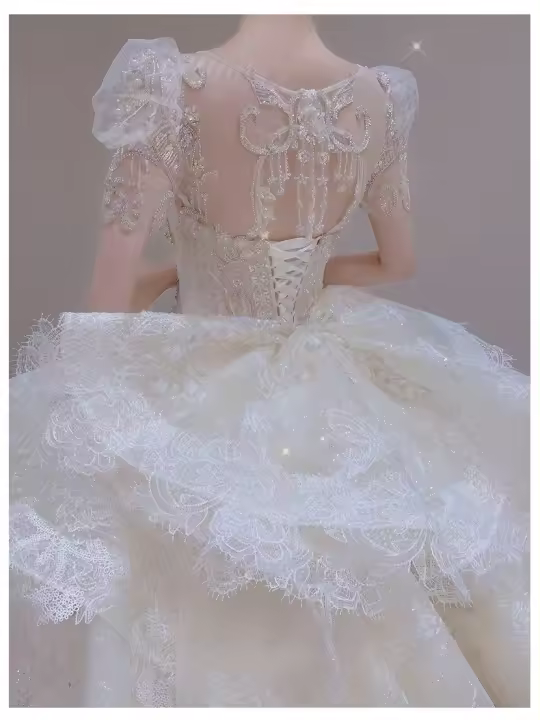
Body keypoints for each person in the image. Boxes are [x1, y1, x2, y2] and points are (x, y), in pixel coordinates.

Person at [10, 15, 529, 708]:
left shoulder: (171, 87)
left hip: (200, 373)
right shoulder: (381, 96)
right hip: (330, 367)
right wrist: (303, 274)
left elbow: (109, 295)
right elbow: (396, 262)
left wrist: (180, 276)